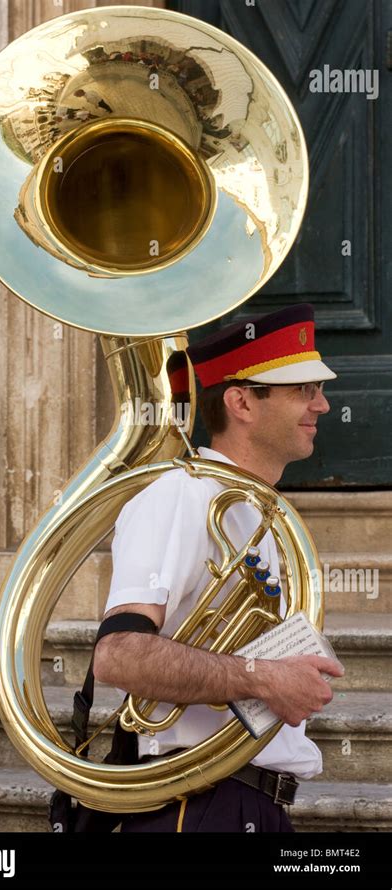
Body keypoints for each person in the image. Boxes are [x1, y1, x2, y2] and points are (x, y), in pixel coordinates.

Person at [93, 303, 345, 832]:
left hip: (250, 803)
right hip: (203, 805)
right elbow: (118, 656)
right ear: (241, 402)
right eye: (303, 389)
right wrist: (261, 677)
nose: (322, 405)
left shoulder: (261, 512)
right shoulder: (183, 495)